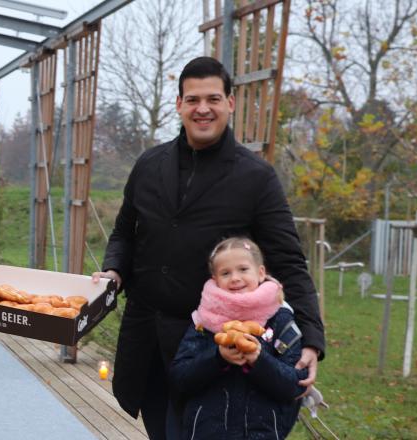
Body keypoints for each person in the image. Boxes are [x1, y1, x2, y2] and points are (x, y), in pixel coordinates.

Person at [92, 56, 325, 439]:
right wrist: (114, 270)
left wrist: (312, 338)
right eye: (193, 99)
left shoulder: (256, 178)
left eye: (214, 99)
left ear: (230, 103)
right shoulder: (149, 165)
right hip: (147, 339)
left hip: (214, 351)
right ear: (179, 104)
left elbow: (288, 261)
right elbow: (124, 233)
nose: (203, 109)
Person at [171, 238, 307, 439]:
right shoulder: (203, 322)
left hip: (262, 433)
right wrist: (217, 358)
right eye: (225, 273)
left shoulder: (281, 320)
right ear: (215, 279)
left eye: (243, 269)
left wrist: (260, 360)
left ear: (260, 273)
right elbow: (180, 378)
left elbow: (295, 384)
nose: (235, 278)